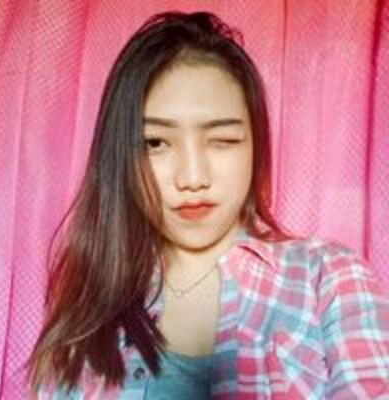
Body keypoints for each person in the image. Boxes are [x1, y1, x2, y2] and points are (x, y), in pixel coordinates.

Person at [25, 10, 389, 399]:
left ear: (255, 145)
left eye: (223, 140)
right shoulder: (89, 302)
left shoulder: (329, 279)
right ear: (120, 155)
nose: (192, 177)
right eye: (155, 143)